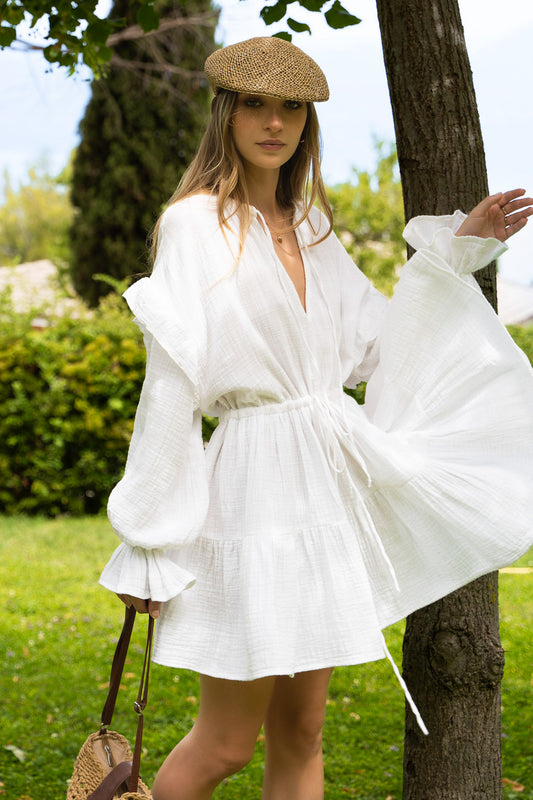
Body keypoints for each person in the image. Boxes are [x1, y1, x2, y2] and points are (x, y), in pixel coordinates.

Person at [99, 36, 533, 800]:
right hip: (249, 488)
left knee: (302, 732)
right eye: (257, 105)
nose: (274, 123)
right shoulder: (195, 226)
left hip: (323, 489)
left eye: (291, 108)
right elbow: (171, 380)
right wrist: (148, 536)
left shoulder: (310, 227)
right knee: (228, 741)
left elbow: (379, 341)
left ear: (308, 122)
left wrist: (453, 250)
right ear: (226, 114)